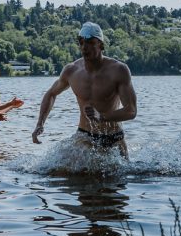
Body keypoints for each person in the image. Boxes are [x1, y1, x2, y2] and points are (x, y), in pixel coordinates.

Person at [33, 22, 137, 157]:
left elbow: (131, 111)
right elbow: (51, 94)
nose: (84, 47)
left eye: (90, 42)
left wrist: (102, 117)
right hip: (85, 136)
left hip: (114, 138)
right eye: (81, 42)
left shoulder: (118, 70)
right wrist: (40, 123)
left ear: (101, 45)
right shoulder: (71, 71)